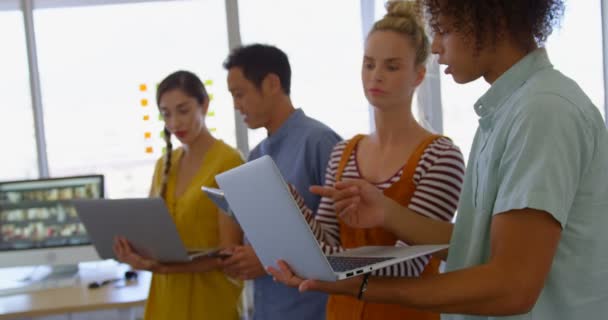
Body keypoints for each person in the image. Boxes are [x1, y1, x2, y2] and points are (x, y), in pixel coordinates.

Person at [269, 0, 608, 319]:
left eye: (444, 30)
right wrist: (388, 213)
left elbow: (512, 285)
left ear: (491, 19)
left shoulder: (541, 110)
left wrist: (361, 285)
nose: (435, 47)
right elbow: (480, 247)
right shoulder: (511, 111)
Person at [271, 2, 464, 319]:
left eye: (391, 66)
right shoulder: (343, 152)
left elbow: (408, 264)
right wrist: (297, 213)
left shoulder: (440, 156)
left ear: (418, 75)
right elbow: (328, 243)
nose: (376, 76)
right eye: (369, 64)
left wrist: (324, 261)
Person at [220, 44, 342, 320]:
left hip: (310, 308)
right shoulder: (255, 156)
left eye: (240, 94)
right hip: (267, 306)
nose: (236, 105)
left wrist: (265, 259)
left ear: (272, 84)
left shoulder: (320, 142)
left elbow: (341, 242)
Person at [113, 70, 245, 320]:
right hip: (165, 300)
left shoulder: (229, 162)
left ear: (204, 105)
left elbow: (228, 254)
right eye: (166, 113)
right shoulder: (164, 164)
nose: (174, 123)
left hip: (210, 303)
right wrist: (136, 254)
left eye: (183, 110)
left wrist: (159, 266)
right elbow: (153, 234)